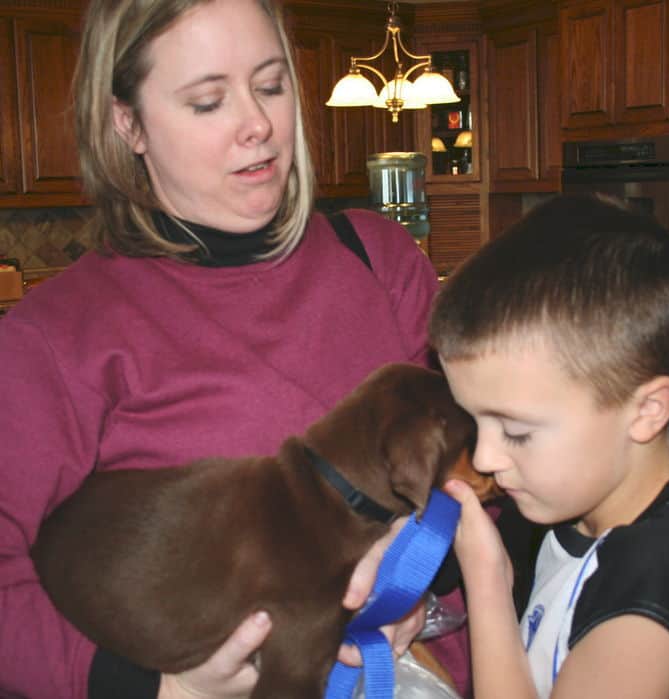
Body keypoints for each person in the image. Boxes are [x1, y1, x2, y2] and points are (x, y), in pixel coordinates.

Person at [0, 0, 455, 696]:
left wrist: (421, 572)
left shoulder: (379, 260)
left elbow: (499, 463)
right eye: (209, 101)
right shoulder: (54, 338)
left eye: (271, 85)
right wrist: (151, 687)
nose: (260, 125)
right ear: (128, 123)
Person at [430, 194, 669, 698]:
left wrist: (487, 580)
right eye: (476, 422)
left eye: (516, 431)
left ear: (646, 412)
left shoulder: (659, 575)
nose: (486, 457)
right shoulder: (592, 513)